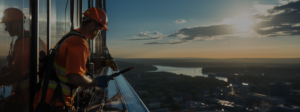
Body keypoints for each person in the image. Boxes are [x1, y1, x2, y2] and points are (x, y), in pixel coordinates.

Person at [33, 7, 117, 112]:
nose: (99, 33)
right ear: (92, 25)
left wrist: (103, 64)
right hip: (56, 102)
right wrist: (96, 82)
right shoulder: (79, 44)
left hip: (49, 99)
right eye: (99, 30)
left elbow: (78, 68)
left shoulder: (71, 37)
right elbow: (74, 77)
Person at [0, 8, 47, 112]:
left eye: (6, 24)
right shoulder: (34, 39)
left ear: (15, 23)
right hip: (35, 95)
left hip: (25, 99)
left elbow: (18, 74)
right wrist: (8, 69)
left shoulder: (24, 42)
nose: (5, 29)